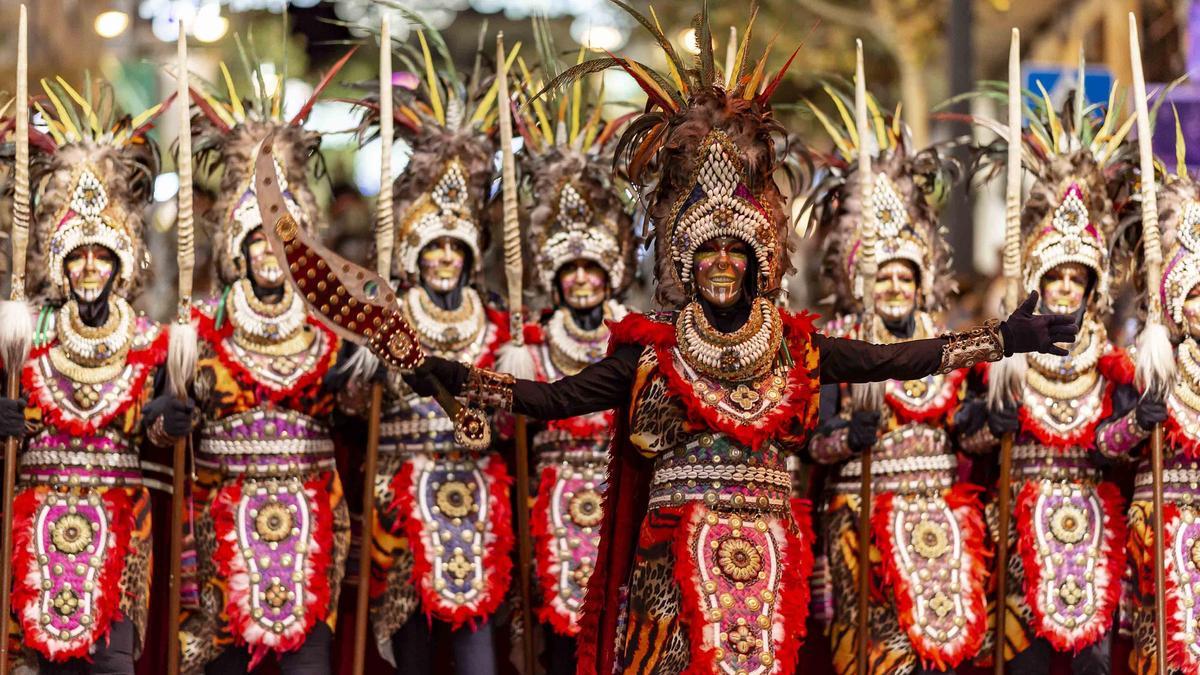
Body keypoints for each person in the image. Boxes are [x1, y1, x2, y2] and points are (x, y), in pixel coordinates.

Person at [345, 9, 1078, 673]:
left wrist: (1004, 338)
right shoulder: (653, 355)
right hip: (673, 561)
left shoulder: (794, 347)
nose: (722, 264)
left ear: (758, 262)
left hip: (764, 559)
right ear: (685, 265)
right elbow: (552, 399)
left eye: (736, 252)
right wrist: (448, 374)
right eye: (708, 254)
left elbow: (895, 358)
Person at [0, 81, 192, 673]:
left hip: (119, 526)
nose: (89, 267)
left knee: (114, 664)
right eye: (78, 256)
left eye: (101, 256)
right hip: (34, 524)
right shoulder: (23, 337)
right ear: (60, 263)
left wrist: (170, 423)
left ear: (120, 264)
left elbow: (158, 444)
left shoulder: (151, 342)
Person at [953, 88, 1145, 674]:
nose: (1064, 287)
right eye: (1055, 277)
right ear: (1038, 281)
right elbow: (964, 434)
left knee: (1093, 665)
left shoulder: (1114, 363)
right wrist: (991, 423)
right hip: (1017, 528)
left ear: (1091, 289)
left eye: (1075, 278)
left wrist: (1139, 421)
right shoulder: (1001, 356)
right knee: (1024, 663)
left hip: (1092, 527)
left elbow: (1117, 444)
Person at [339, 29, 510, 675]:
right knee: (408, 655)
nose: (443, 258)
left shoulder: (495, 325)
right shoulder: (385, 322)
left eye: (455, 249)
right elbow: (352, 411)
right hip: (400, 500)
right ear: (414, 255)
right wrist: (367, 379)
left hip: (476, 497)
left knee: (476, 655)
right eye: (433, 248)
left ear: (469, 257)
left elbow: (517, 410)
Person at [176, 61, 351, 675]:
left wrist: (366, 384)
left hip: (310, 526)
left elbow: (358, 416)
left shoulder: (335, 336)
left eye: (285, 242)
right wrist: (164, 413)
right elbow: (154, 418)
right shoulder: (196, 331)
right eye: (259, 242)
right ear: (238, 252)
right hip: (222, 527)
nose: (272, 255)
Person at [805, 99, 987, 674]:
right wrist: (849, 438)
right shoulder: (836, 343)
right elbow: (813, 443)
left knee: (940, 649)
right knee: (879, 658)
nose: (894, 287)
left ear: (921, 282)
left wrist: (986, 425)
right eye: (881, 276)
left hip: (942, 517)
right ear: (862, 282)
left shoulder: (946, 347)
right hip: (862, 522)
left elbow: (966, 433)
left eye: (905, 276)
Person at [507, 68, 638, 673]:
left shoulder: (635, 341)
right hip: (553, 510)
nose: (582, 279)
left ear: (610, 274)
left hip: (621, 501)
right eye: (570, 271)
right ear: (554, 279)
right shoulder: (528, 345)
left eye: (593, 268)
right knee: (560, 647)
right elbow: (505, 435)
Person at [1123, 145, 1197, 675]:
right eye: (1196, 295)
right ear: (1174, 302)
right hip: (1162, 529)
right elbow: (1104, 442)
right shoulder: (1148, 363)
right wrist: (1136, 422)